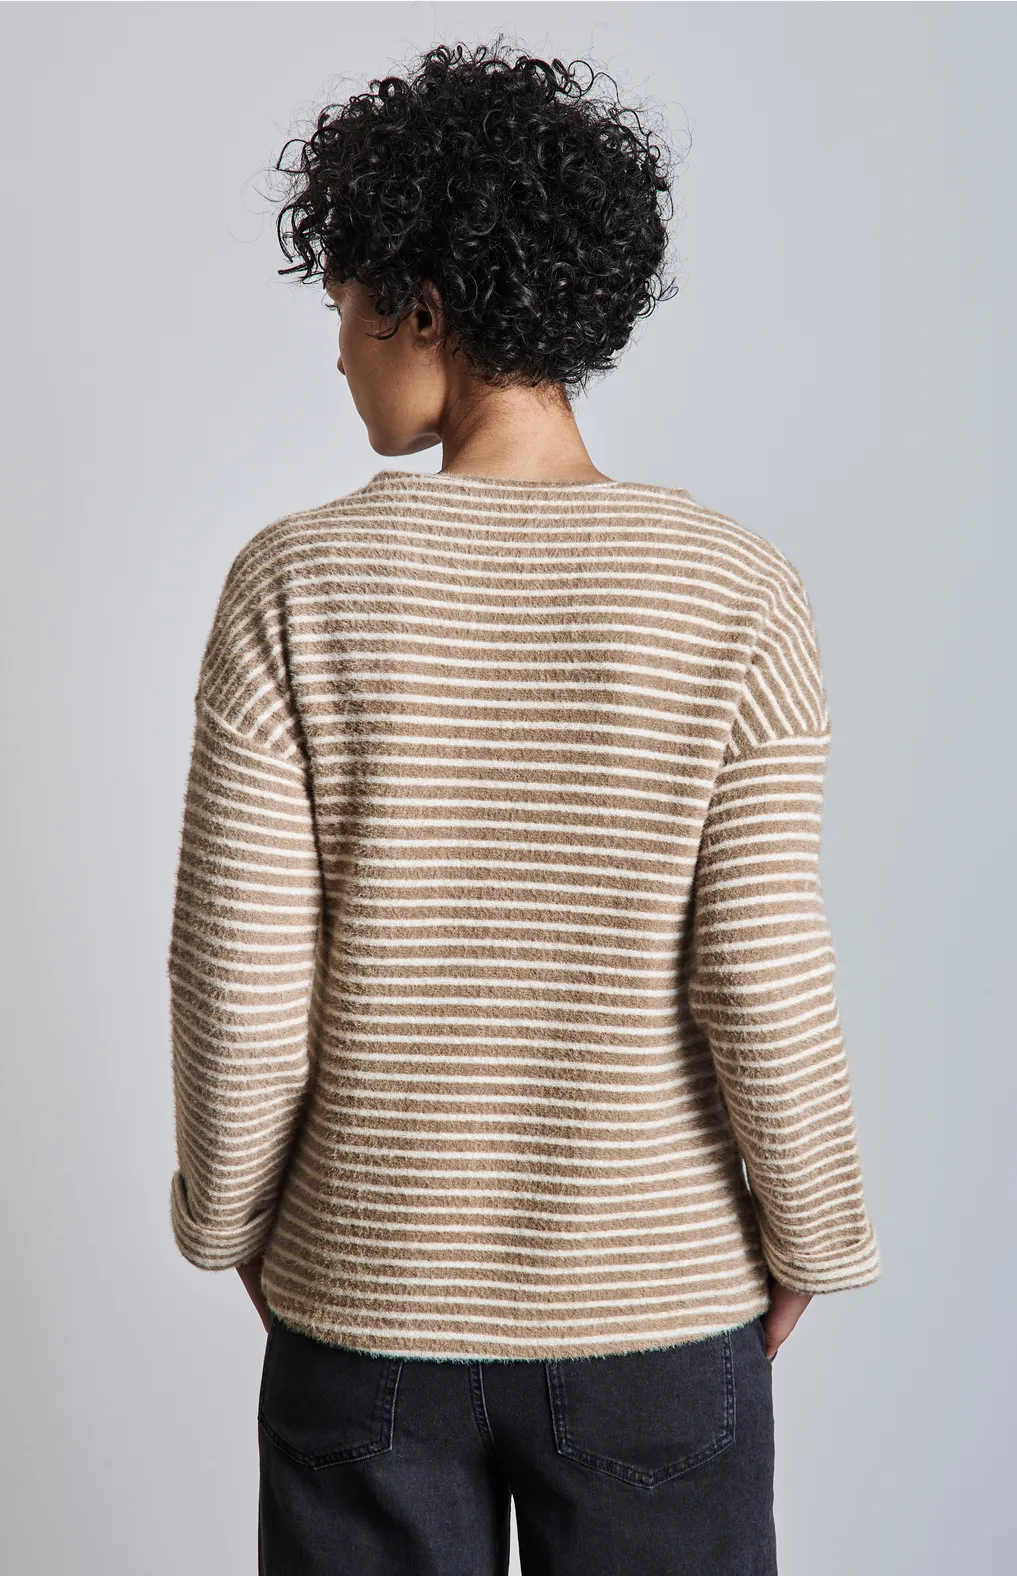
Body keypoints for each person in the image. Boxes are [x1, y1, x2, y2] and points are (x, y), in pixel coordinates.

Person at [167, 38, 880, 1576]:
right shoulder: (735, 591)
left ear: (425, 309)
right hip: (656, 1310)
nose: (338, 352)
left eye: (347, 307)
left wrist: (230, 1221)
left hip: (366, 1301)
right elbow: (761, 967)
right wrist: (812, 1230)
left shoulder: (293, 583)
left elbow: (239, 976)